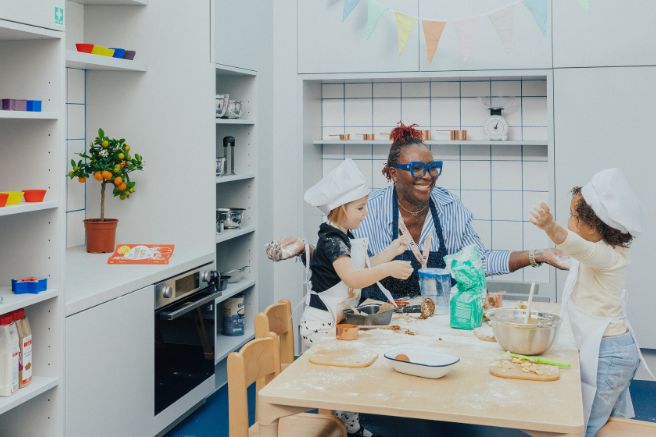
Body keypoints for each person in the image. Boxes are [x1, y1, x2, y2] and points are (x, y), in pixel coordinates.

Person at [266, 122, 567, 298]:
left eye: (433, 167)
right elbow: (342, 261)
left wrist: (536, 255)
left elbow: (480, 260)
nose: (428, 175)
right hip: (379, 324)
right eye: (417, 168)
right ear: (393, 173)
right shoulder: (365, 210)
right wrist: (303, 249)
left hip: (438, 325)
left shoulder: (449, 208)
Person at [529, 168, 654, 437]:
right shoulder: (608, 251)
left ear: (596, 226)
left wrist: (550, 227)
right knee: (607, 424)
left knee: (582, 425)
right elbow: (576, 254)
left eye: (574, 217)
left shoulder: (608, 258)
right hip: (608, 349)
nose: (568, 221)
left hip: (609, 353)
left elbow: (580, 248)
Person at [301, 158, 412, 437]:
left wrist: (392, 251)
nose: (364, 213)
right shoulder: (331, 240)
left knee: (346, 377)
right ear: (340, 209)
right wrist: (389, 269)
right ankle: (338, 429)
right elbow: (352, 278)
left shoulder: (343, 236)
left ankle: (350, 428)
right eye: (359, 208)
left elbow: (363, 267)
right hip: (320, 326)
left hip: (335, 322)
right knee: (337, 381)